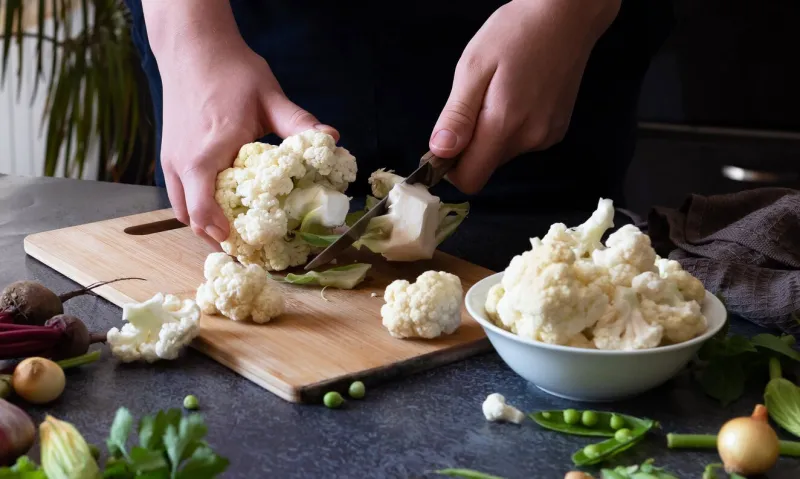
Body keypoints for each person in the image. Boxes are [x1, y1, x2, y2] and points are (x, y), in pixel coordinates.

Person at [124, 0, 673, 248]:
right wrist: (187, 33)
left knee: (545, 251)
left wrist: (571, 8)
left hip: (531, 30)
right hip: (250, 30)